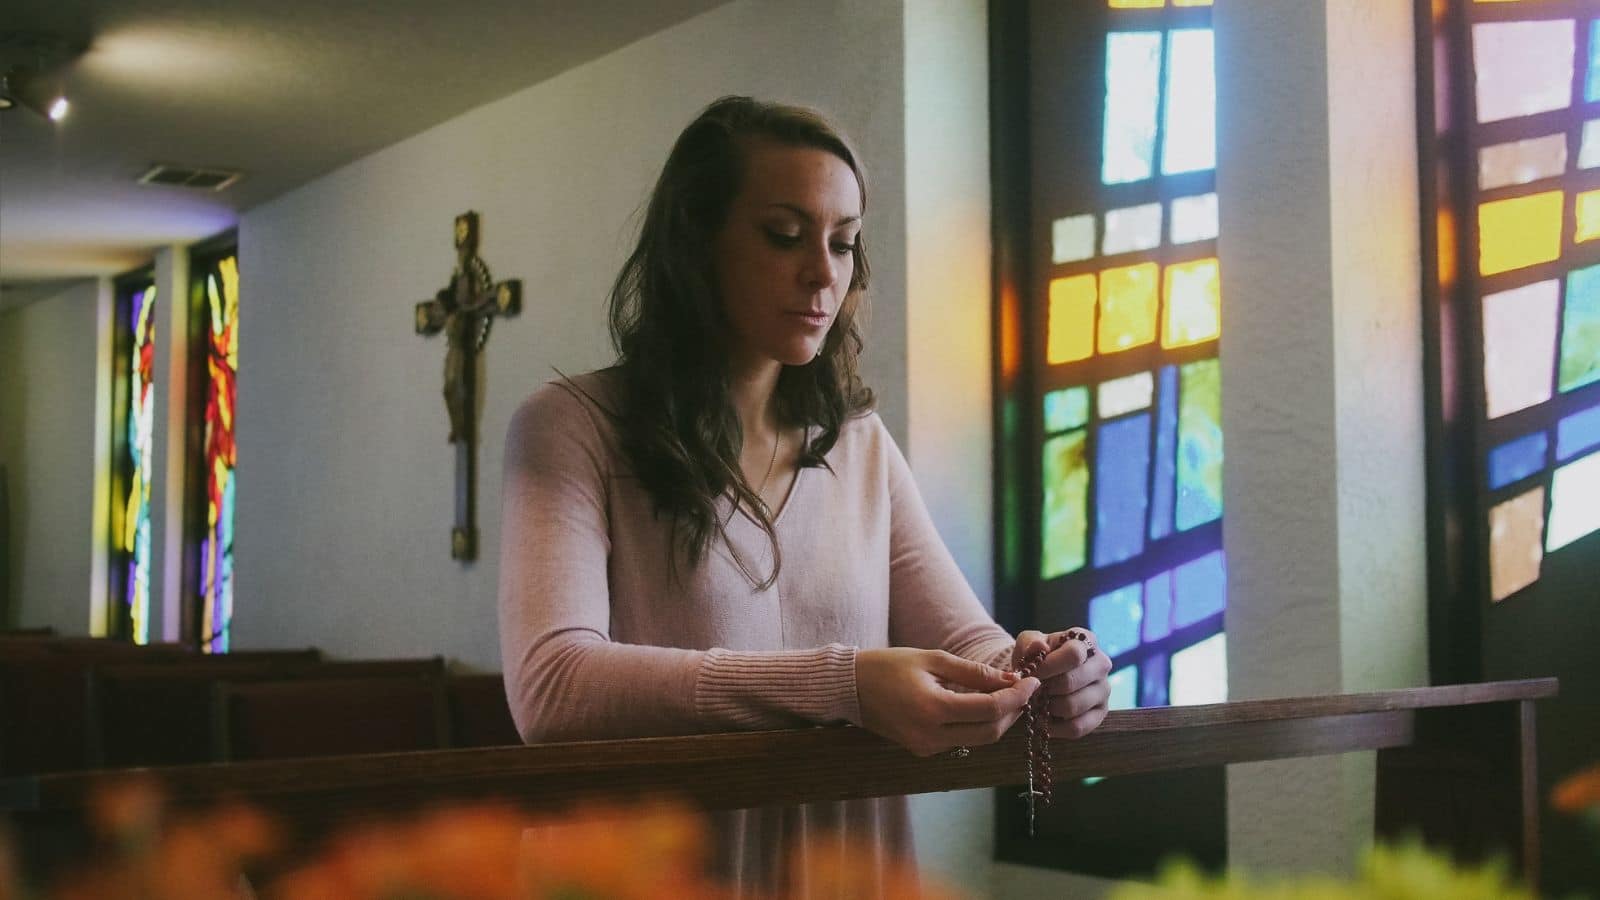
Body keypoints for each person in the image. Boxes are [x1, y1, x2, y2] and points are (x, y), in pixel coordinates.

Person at [498, 95, 1112, 896]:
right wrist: (847, 685)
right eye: (784, 236)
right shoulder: (572, 427)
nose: (823, 272)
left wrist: (1043, 669)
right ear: (697, 242)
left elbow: (968, 642)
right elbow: (555, 687)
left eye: (845, 243)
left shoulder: (856, 441)